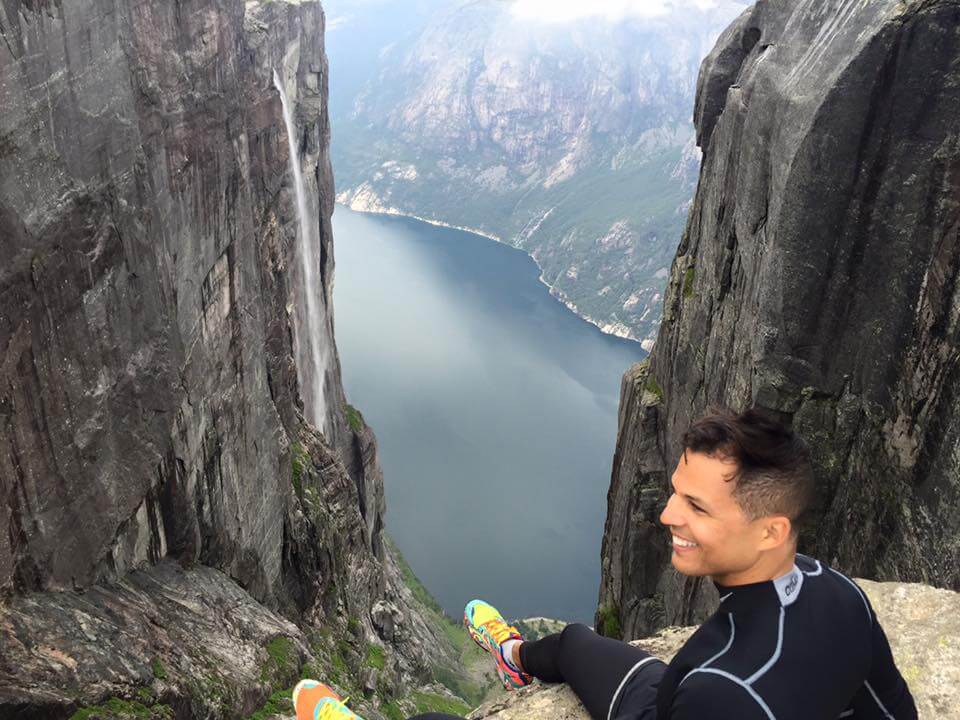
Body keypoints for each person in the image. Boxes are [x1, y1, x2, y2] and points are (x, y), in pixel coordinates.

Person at [293, 408, 918, 720]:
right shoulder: (840, 595)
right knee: (569, 644)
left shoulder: (722, 695)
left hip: (679, 706)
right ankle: (515, 659)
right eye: (676, 492)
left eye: (695, 506)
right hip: (675, 697)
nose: (668, 515)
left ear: (770, 531)